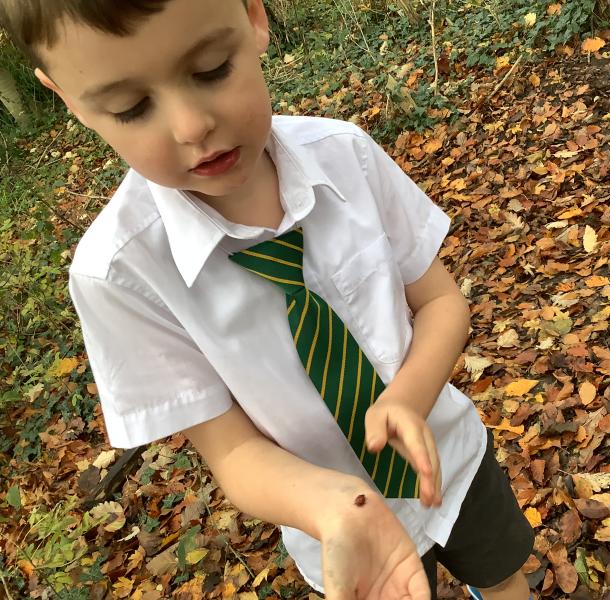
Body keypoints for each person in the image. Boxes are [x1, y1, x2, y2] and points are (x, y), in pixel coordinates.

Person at [0, 1, 534, 597]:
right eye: (131, 107)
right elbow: (232, 453)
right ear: (70, 101)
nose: (191, 126)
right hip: (335, 528)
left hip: (453, 458)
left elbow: (442, 303)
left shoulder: (345, 154)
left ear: (254, 17)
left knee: (503, 576)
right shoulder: (119, 276)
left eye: (210, 69)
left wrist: (408, 397)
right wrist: (333, 507)